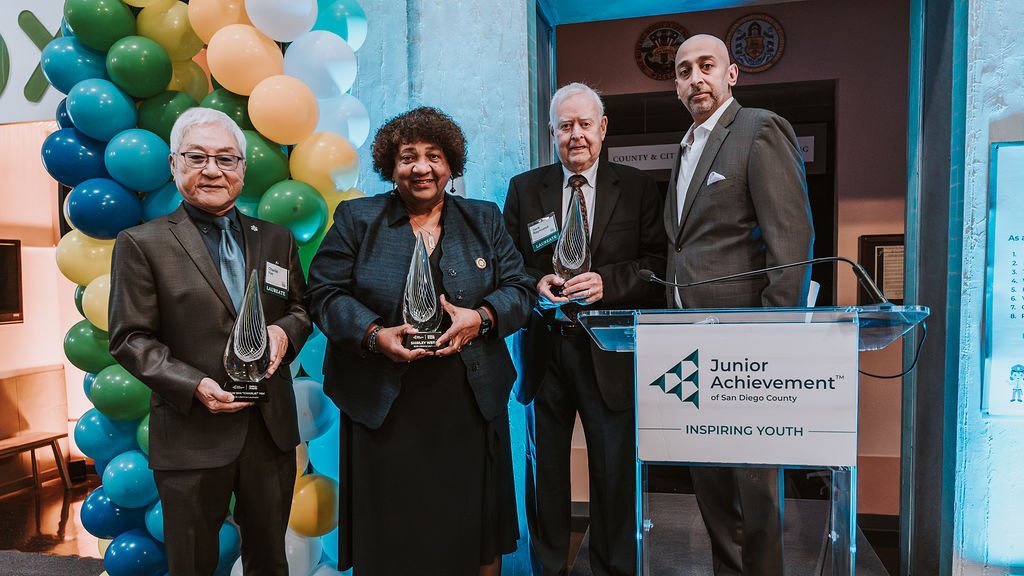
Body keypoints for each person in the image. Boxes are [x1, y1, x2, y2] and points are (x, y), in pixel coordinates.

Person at [305, 107, 534, 576]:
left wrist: (482, 318)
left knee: (472, 531)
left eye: (434, 156)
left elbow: (520, 289)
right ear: (390, 166)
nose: (421, 167)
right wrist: (373, 335)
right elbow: (324, 293)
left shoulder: (483, 218)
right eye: (408, 157)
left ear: (451, 165)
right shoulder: (357, 218)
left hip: (468, 402)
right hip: (382, 404)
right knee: (392, 534)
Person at [108, 107, 311, 576]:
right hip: (191, 434)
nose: (213, 170)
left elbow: (302, 308)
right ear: (173, 164)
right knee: (192, 565)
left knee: (270, 561)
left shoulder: (276, 239)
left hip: (269, 432)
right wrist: (195, 385)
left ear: (242, 168)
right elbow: (130, 337)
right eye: (197, 157)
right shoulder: (142, 243)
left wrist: (284, 331)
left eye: (225, 158)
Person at [503, 82, 666, 576]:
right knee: (545, 473)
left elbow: (658, 264)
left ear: (603, 128)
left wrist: (608, 282)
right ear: (552, 133)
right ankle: (548, 568)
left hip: (609, 352)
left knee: (614, 472)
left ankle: (612, 569)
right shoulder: (524, 189)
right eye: (565, 126)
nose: (576, 135)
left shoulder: (636, 187)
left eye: (585, 124)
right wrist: (536, 283)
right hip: (545, 350)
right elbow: (507, 264)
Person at [666, 34, 815, 575]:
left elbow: (791, 243)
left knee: (756, 493)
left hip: (747, 346)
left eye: (706, 66)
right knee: (711, 485)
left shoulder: (758, 129)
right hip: (688, 346)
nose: (695, 79)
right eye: (684, 71)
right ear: (676, 85)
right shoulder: (686, 146)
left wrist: (772, 337)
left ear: (732, 74)